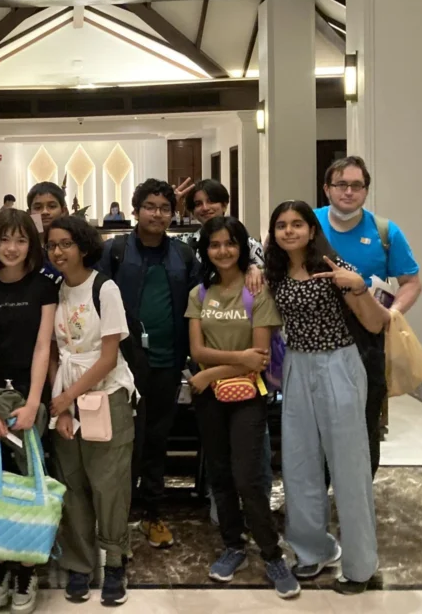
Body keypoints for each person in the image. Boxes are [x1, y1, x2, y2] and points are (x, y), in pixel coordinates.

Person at [265, 201, 389, 595]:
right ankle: (311, 550)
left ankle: (360, 565)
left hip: (340, 364)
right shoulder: (275, 272)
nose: (289, 231)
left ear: (311, 229)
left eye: (297, 224)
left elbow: (375, 322)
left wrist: (359, 287)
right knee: (299, 462)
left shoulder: (335, 270)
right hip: (298, 367)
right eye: (281, 225)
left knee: (349, 466)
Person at [185, 216, 300, 599]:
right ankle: (233, 546)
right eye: (214, 245)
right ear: (206, 249)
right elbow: (196, 350)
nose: (222, 251)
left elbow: (260, 358)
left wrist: (209, 373)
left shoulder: (257, 292)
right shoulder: (200, 294)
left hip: (247, 396)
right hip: (210, 400)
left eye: (229, 244)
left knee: (248, 478)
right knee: (219, 474)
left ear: (240, 246)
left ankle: (271, 553)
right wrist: (230, 362)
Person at [97, 178, 199, 550]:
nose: (157, 213)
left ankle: (153, 513)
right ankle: (115, 518)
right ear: (135, 209)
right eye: (150, 206)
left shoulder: (184, 256)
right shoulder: (116, 251)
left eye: (165, 207)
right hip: (121, 364)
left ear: (173, 213)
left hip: (167, 363)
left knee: (157, 440)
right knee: (122, 443)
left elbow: (197, 302)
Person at [0, 209, 57, 614]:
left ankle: (26, 567)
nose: (12, 248)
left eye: (21, 240)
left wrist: (35, 401)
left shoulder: (44, 288)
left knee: (29, 481)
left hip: (30, 396)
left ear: (31, 246)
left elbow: (44, 347)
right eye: (5, 239)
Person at [46, 216, 135, 607]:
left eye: (66, 244)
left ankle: (115, 561)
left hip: (105, 395)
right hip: (65, 395)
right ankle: (80, 564)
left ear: (83, 246)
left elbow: (108, 357)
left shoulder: (104, 287)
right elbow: (52, 352)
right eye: (52, 245)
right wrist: (61, 406)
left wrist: (70, 398)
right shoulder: (54, 292)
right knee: (73, 485)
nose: (58, 252)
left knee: (109, 484)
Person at [315, 156, 421, 477]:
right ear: (327, 189)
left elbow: (411, 282)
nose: (348, 192)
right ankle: (315, 498)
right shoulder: (308, 224)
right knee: (318, 423)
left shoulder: (385, 232)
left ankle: (359, 496)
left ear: (365, 190)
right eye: (341, 185)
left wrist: (391, 314)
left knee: (364, 420)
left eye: (356, 185)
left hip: (367, 338)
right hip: (315, 337)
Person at [185, 180, 264, 271]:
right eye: (198, 204)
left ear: (224, 205)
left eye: (211, 201)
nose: (205, 208)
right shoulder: (185, 244)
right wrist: (171, 202)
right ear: (193, 211)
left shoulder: (250, 244)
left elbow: (262, 276)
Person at [27, 181, 68, 285]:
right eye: (38, 207)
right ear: (29, 213)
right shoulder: (24, 248)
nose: (45, 212)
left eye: (52, 206)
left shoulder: (76, 247)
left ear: (63, 211)